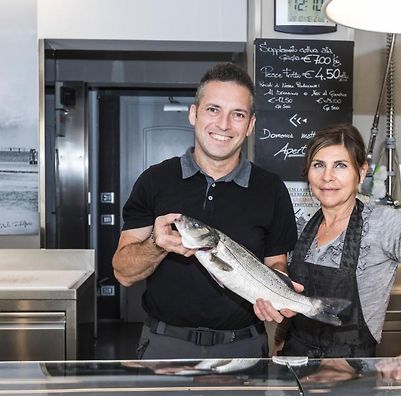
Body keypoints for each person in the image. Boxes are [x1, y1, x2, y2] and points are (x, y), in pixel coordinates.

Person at [112, 62, 297, 359]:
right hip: (165, 347)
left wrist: (275, 290)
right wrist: (156, 245)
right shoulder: (155, 180)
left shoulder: (270, 189)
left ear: (250, 125)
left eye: (237, 114)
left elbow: (276, 262)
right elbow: (123, 273)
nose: (224, 125)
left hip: (243, 347)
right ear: (193, 113)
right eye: (213, 110)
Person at [254, 123, 401, 360]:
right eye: (318, 165)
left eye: (340, 165)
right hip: (295, 363)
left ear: (361, 170)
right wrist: (279, 340)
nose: (327, 177)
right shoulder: (303, 226)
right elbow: (295, 298)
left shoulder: (382, 224)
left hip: (350, 375)